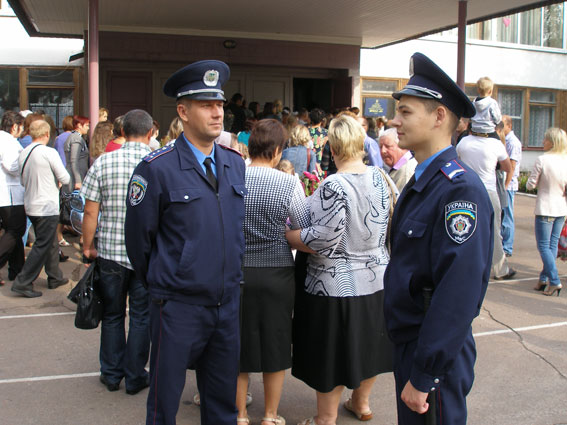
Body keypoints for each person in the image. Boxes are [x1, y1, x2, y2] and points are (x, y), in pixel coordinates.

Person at [124, 60, 246, 425]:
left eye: (219, 104)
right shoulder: (156, 168)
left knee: (223, 405)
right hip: (178, 306)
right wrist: (168, 281)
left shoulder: (234, 163)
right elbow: (139, 242)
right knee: (164, 404)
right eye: (206, 105)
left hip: (226, 304)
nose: (217, 112)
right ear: (183, 111)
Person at [383, 52, 493, 425]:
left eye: (406, 112)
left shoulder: (459, 189)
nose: (395, 121)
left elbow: (458, 291)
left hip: (433, 354)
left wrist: (425, 373)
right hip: (415, 344)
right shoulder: (424, 180)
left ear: (439, 116)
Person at [286, 114, 395, 425]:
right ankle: (361, 403)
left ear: (332, 148)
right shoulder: (381, 177)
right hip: (377, 278)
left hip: (334, 283)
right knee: (369, 345)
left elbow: (322, 240)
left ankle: (326, 418)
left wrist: (290, 236)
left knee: (330, 354)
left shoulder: (334, 184)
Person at [236, 119, 309, 425]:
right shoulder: (288, 183)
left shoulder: (233, 178)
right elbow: (303, 226)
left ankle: (239, 414)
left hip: (237, 270)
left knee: (238, 343)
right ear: (278, 150)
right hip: (277, 272)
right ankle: (269, 415)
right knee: (275, 343)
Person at [81, 109, 152, 395]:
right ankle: (135, 376)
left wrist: (87, 245)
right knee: (141, 316)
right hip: (146, 254)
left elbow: (90, 211)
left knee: (112, 315)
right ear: (150, 133)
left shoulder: (103, 162)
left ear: (122, 131)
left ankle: (111, 374)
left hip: (110, 252)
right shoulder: (158, 163)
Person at [11, 120, 70, 298]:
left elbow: (22, 180)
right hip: (46, 205)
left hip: (31, 203)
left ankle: (54, 276)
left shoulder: (24, 152)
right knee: (43, 244)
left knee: (49, 242)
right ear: (47, 134)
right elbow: (65, 177)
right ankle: (23, 281)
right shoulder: (48, 152)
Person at [457, 125, 515, 280]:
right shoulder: (495, 144)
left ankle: (466, 267)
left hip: (467, 189)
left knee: (465, 229)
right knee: (494, 230)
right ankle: (501, 270)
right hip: (488, 190)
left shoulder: (463, 142)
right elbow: (507, 167)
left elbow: (457, 162)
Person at [527, 127, 567, 297]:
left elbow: (530, 185)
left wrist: (532, 182)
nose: (543, 141)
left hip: (545, 207)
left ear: (552, 142)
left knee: (544, 246)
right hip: (561, 208)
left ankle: (555, 281)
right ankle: (543, 279)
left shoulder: (542, 159)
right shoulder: (565, 160)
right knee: (551, 246)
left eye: (545, 139)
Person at [0, 111, 26, 285]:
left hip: (8, 193)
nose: (22, 131)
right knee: (15, 230)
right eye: (21, 127)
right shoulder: (8, 142)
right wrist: (25, 164)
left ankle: (16, 270)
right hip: (10, 195)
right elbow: (11, 166)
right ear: (15, 126)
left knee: (14, 232)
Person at [501, 115, 522, 257]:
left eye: (502, 125)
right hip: (503, 184)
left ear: (509, 126)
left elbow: (512, 167)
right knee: (502, 216)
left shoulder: (513, 142)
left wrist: (506, 185)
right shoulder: (503, 140)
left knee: (507, 216)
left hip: (508, 185)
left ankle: (507, 247)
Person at [64, 115, 90, 191]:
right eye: (86, 125)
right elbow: (74, 160)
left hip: (74, 176)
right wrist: (78, 180)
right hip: (74, 179)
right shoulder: (76, 138)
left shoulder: (74, 137)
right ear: (79, 125)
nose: (88, 128)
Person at [470, 76, 502, 140]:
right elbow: (497, 118)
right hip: (489, 132)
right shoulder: (492, 103)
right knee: (499, 143)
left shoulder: (473, 103)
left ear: (478, 90)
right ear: (490, 91)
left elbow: (471, 116)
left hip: (474, 131)